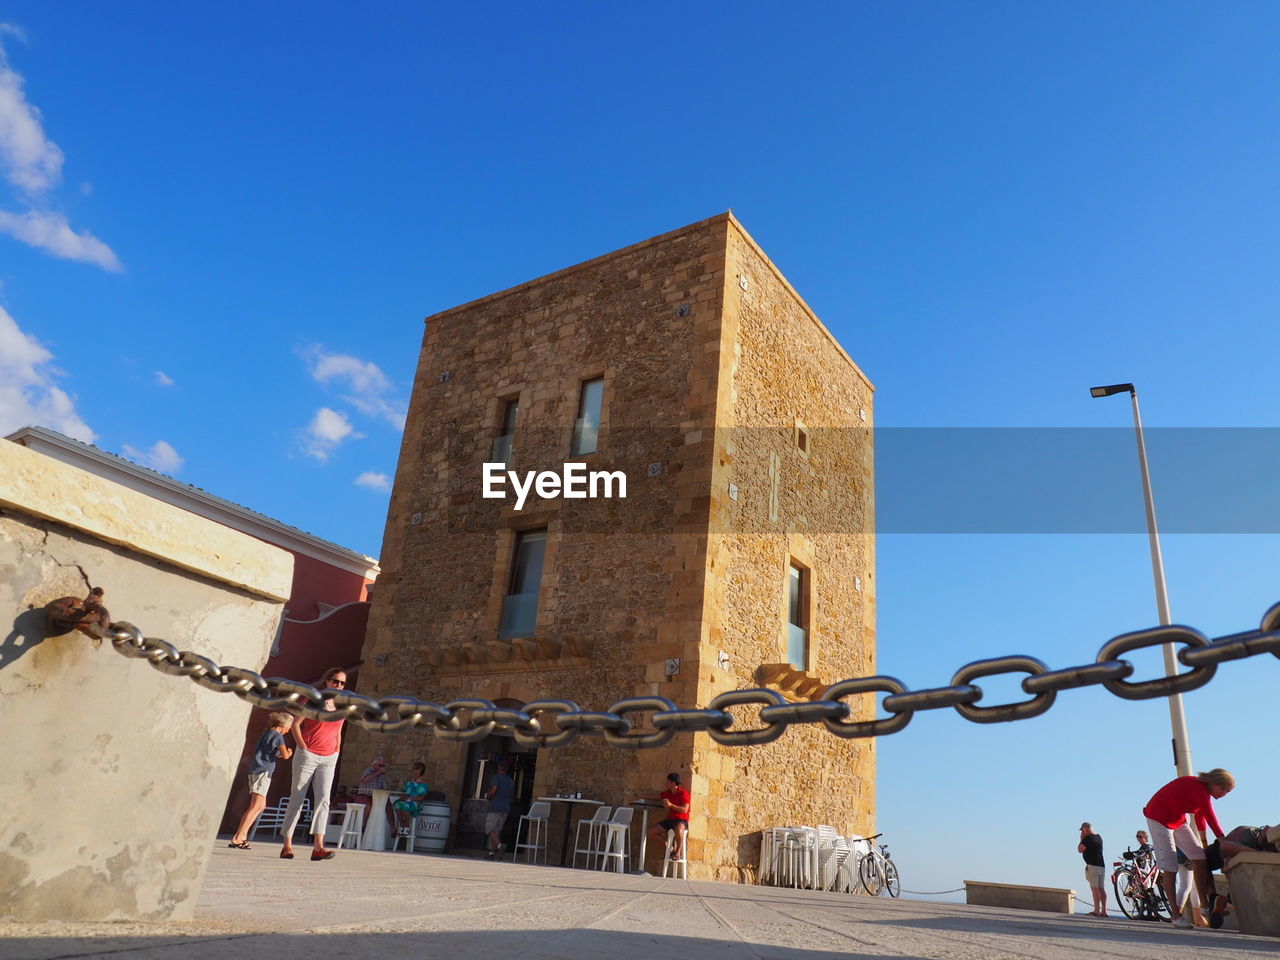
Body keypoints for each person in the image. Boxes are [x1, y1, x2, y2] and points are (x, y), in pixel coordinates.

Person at [1142, 768, 1235, 929]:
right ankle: (1176, 916)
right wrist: (1222, 840)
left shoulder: (1204, 793)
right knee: (1170, 867)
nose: (1224, 794)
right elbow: (1210, 815)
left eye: (1227, 791)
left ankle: (1206, 906)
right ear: (1214, 782)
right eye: (1223, 789)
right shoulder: (1199, 789)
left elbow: (1201, 817)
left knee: (1200, 857)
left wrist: (1205, 842)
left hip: (1177, 820)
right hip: (1158, 818)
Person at [279, 667, 349, 861]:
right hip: (308, 754)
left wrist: (337, 749)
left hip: (329, 757)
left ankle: (318, 846)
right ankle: (287, 845)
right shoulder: (312, 701)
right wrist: (303, 747)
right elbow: (295, 724)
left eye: (342, 683)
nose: (339, 685)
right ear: (327, 681)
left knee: (324, 800)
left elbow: (338, 730)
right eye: (335, 681)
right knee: (297, 798)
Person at [226, 712, 293, 849]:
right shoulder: (278, 736)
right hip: (263, 772)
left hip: (257, 770)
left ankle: (242, 835)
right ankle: (238, 837)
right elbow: (285, 755)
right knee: (256, 806)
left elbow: (266, 751)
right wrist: (288, 753)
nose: (289, 730)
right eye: (288, 726)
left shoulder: (267, 733)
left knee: (259, 806)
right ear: (283, 725)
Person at [643, 772, 691, 861]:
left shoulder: (684, 793)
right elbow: (657, 797)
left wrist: (671, 805)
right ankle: (669, 847)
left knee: (679, 830)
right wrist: (641, 796)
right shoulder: (668, 793)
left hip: (681, 820)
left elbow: (684, 810)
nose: (666, 783)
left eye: (668, 782)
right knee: (651, 832)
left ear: (673, 783)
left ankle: (678, 852)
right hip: (670, 819)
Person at [484, 760, 515, 860]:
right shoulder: (510, 780)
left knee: (489, 829)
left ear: (498, 768)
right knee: (496, 831)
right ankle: (491, 854)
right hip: (505, 808)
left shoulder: (496, 777)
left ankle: (500, 845)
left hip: (495, 807)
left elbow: (494, 789)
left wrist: (488, 796)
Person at [1078, 823, 1108, 916]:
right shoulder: (1099, 837)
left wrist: (1081, 839)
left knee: (1094, 888)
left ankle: (1096, 910)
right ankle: (1104, 911)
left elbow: (1080, 850)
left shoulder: (1087, 838)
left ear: (1084, 829)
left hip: (1092, 866)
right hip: (1101, 865)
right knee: (1101, 888)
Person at [395, 762, 429, 837]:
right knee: (397, 804)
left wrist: (410, 799)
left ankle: (407, 825)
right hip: (407, 801)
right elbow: (404, 793)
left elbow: (421, 797)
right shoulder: (409, 783)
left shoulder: (424, 784)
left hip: (416, 802)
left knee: (405, 806)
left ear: (421, 771)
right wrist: (403, 798)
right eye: (414, 769)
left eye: (417, 769)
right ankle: (402, 825)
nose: (415, 771)